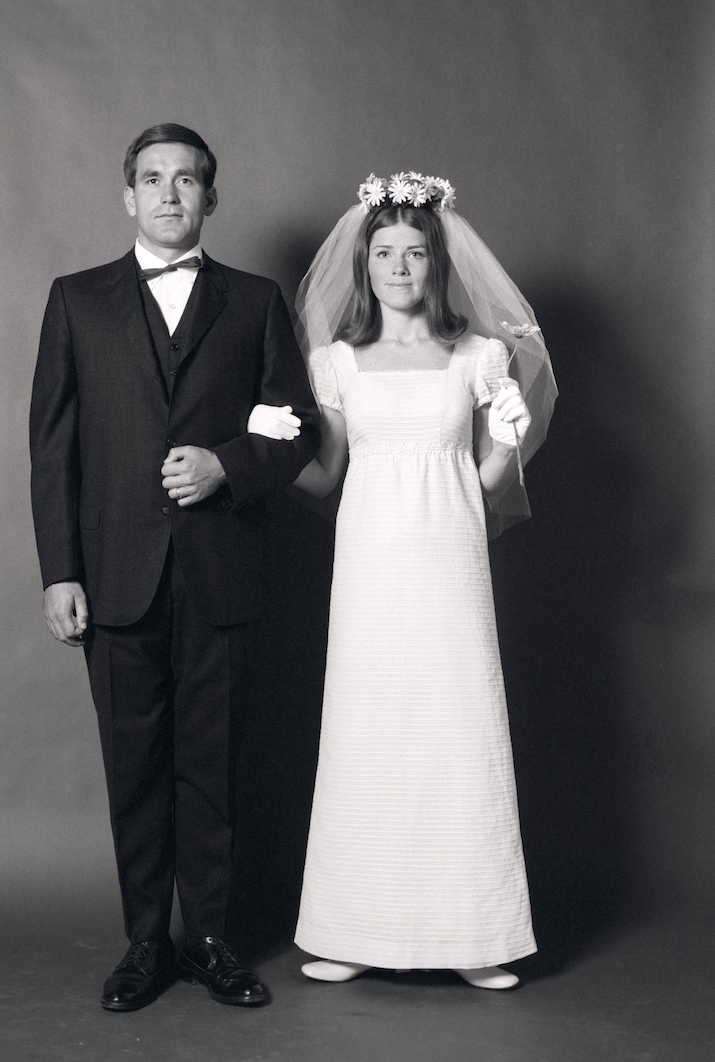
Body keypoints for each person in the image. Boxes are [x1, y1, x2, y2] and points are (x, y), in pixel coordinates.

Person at [29, 123, 319, 1012]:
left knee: (214, 765)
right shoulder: (76, 300)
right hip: (114, 575)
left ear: (210, 198)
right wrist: (60, 571)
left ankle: (214, 940)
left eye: (186, 180)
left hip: (221, 570)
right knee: (136, 769)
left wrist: (230, 465)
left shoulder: (257, 300)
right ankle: (146, 945)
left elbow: (294, 422)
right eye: (152, 180)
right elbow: (53, 450)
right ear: (128, 196)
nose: (168, 194)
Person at [248, 172, 556, 989]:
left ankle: (474, 937)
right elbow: (326, 479)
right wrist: (268, 451)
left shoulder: (480, 356)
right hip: (371, 568)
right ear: (364, 263)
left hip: (450, 564)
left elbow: (486, 486)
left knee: (458, 731)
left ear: (436, 262)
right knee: (367, 731)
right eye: (383, 252)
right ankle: (354, 931)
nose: (398, 266)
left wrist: (505, 442)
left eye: (414, 252)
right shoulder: (335, 362)